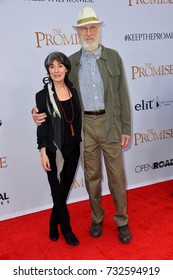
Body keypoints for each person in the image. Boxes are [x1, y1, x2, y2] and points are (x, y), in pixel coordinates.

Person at [32, 7, 132, 243]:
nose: (89, 32)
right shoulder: (72, 62)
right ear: (78, 32)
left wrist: (126, 127)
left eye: (93, 27)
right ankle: (96, 218)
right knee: (92, 177)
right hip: (84, 127)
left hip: (110, 124)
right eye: (84, 28)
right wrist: (36, 112)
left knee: (117, 177)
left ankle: (122, 221)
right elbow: (55, 93)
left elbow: (122, 94)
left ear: (98, 29)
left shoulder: (114, 57)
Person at [35, 51, 82, 246]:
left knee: (62, 192)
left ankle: (53, 222)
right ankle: (66, 229)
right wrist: (43, 151)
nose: (56, 70)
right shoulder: (42, 96)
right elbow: (43, 126)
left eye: (59, 66)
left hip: (74, 149)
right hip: (55, 152)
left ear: (66, 69)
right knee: (57, 192)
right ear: (48, 70)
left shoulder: (74, 90)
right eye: (52, 66)